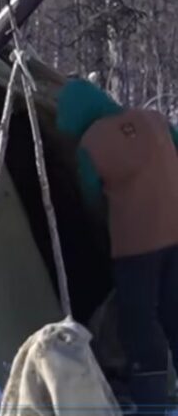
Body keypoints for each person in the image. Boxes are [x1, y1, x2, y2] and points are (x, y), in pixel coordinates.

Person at [57, 78, 178, 411]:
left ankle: (150, 401)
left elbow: (91, 196)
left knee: (139, 322)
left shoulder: (90, 144)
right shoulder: (154, 119)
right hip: (176, 236)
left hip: (136, 245)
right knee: (174, 313)